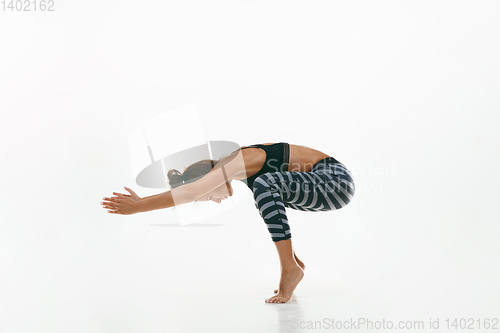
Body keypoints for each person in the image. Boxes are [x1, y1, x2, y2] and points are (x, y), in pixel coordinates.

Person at [101, 142, 355, 303]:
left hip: (335, 181)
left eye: (209, 194)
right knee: (265, 191)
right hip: (322, 189)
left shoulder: (237, 161)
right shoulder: (240, 171)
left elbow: (189, 192)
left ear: (208, 179)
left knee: (265, 186)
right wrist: (144, 199)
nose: (215, 200)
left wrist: (138, 207)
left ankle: (289, 268)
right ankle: (293, 263)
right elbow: (189, 191)